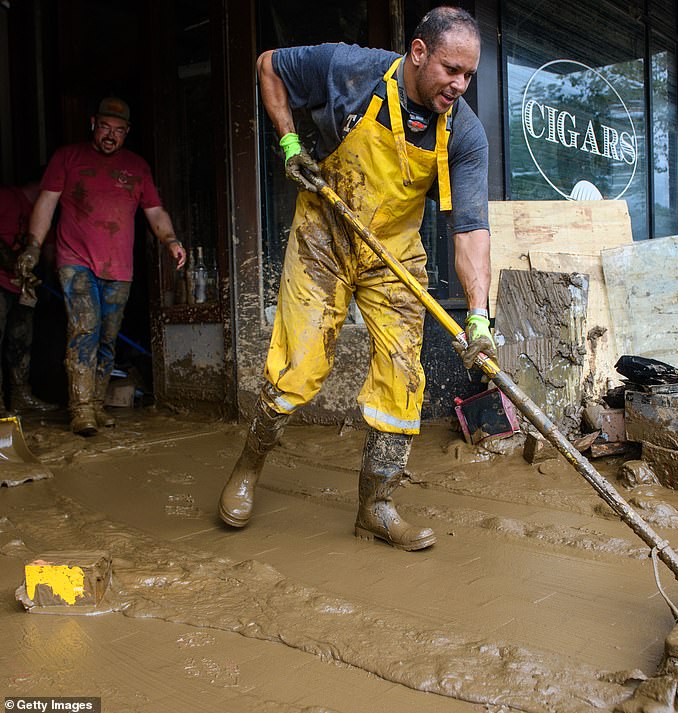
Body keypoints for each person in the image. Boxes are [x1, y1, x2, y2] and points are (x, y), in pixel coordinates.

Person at [218, 6, 497, 551]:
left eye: (469, 75)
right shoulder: (350, 70)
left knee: (402, 377)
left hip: (392, 254)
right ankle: (249, 466)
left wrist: (479, 319)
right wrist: (291, 145)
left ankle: (376, 506)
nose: (459, 86)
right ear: (418, 53)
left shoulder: (464, 133)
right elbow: (268, 65)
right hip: (325, 233)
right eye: (450, 70)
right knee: (298, 367)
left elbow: (470, 231)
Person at [18, 97, 187, 436]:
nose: (111, 136)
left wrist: (170, 240)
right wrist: (33, 248)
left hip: (118, 268)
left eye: (119, 131)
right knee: (85, 328)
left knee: (108, 338)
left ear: (127, 133)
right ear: (93, 124)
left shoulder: (137, 167)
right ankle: (81, 410)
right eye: (106, 128)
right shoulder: (67, 158)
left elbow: (154, 212)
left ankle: (95, 404)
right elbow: (46, 204)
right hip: (75, 261)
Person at [0, 179, 58, 415]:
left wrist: (50, 282)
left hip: (24, 288)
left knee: (20, 342)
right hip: (1, 282)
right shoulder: (7, 198)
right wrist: (11, 263)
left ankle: (20, 396)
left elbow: (50, 252)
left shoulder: (49, 213)